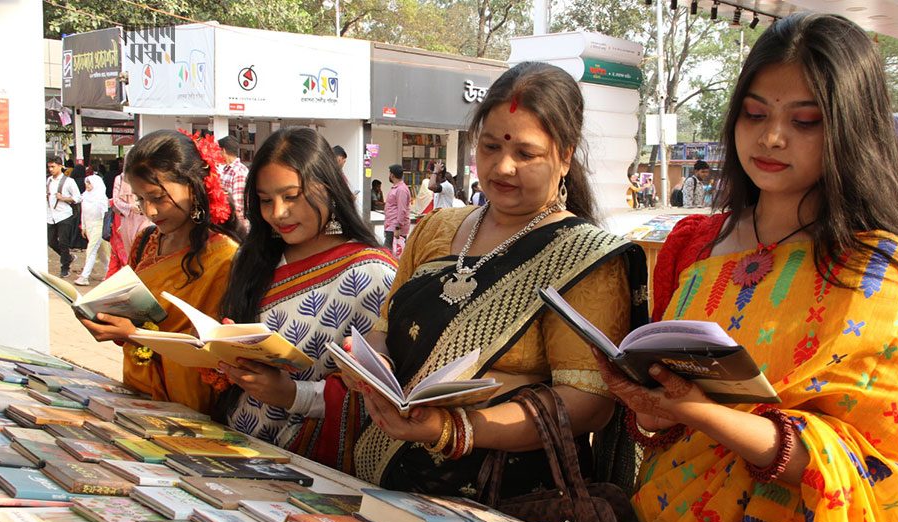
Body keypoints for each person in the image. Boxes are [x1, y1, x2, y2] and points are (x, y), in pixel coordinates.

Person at [594, 13, 898, 522]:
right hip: (671, 517)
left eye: (805, 120)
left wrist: (700, 412)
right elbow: (662, 426)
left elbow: (889, 465)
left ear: (850, 129)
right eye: (754, 113)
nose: (772, 137)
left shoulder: (876, 273)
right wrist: (650, 410)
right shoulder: (695, 244)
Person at [349, 61, 646, 497]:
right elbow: (384, 327)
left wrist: (456, 429)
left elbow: (587, 404)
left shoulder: (582, 257)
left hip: (503, 496)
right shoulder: (437, 229)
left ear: (565, 157)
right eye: (489, 147)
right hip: (385, 471)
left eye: (525, 154)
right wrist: (373, 368)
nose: (503, 167)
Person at [218, 127, 396, 467]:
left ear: (328, 188)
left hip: (305, 465)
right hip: (235, 445)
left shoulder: (372, 274)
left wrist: (291, 395)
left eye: (292, 196)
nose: (278, 213)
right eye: (266, 201)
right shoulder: (253, 258)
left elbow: (378, 395)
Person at [78, 130, 244, 415]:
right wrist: (109, 322)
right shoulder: (146, 241)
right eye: (141, 200)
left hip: (189, 405)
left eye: (157, 197)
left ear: (194, 185)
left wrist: (137, 335)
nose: (150, 211)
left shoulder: (224, 256)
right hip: (138, 390)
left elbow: (213, 350)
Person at [106, 163, 152, 277]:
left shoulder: (147, 176)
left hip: (145, 218)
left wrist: (142, 206)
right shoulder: (120, 179)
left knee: (145, 248)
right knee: (130, 252)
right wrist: (130, 207)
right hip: (127, 219)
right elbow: (116, 200)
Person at [74, 168, 111, 286]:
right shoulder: (85, 196)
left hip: (98, 226)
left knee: (91, 250)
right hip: (89, 227)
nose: (87, 185)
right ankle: (110, 273)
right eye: (86, 183)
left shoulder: (101, 199)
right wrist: (83, 227)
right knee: (102, 252)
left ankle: (84, 276)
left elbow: (105, 215)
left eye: (89, 183)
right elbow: (83, 214)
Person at [46, 156, 81, 278]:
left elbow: (78, 197)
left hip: (64, 214)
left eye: (53, 166)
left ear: (60, 166)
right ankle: (68, 257)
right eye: (49, 167)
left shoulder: (69, 181)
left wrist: (64, 198)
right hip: (50, 215)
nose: (50, 169)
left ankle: (65, 267)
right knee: (51, 241)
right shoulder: (48, 180)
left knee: (63, 243)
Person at [217, 135, 250, 231]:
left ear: (223, 151)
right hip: (227, 223)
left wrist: (237, 230)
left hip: (236, 227)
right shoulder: (226, 170)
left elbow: (238, 205)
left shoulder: (239, 172)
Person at [383, 164, 411, 254]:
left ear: (392, 175)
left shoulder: (401, 189)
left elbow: (401, 209)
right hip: (391, 225)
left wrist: (398, 227)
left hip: (395, 228)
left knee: (391, 253)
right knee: (390, 252)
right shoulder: (397, 188)